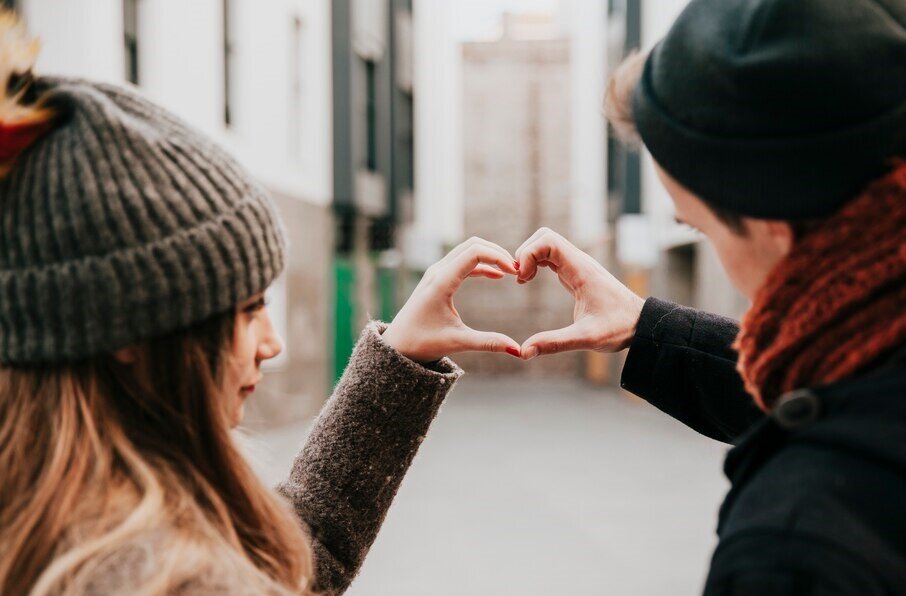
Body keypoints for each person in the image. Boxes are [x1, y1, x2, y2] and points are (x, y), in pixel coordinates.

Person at [513, 0, 906, 593]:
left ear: (773, 220)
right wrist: (649, 327)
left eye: (701, 227)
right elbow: (905, 394)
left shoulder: (805, 550)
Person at [0, 14, 522, 595]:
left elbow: (289, 563)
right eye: (247, 309)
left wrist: (397, 358)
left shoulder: (48, 526)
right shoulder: (171, 579)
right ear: (126, 329)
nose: (272, 344)